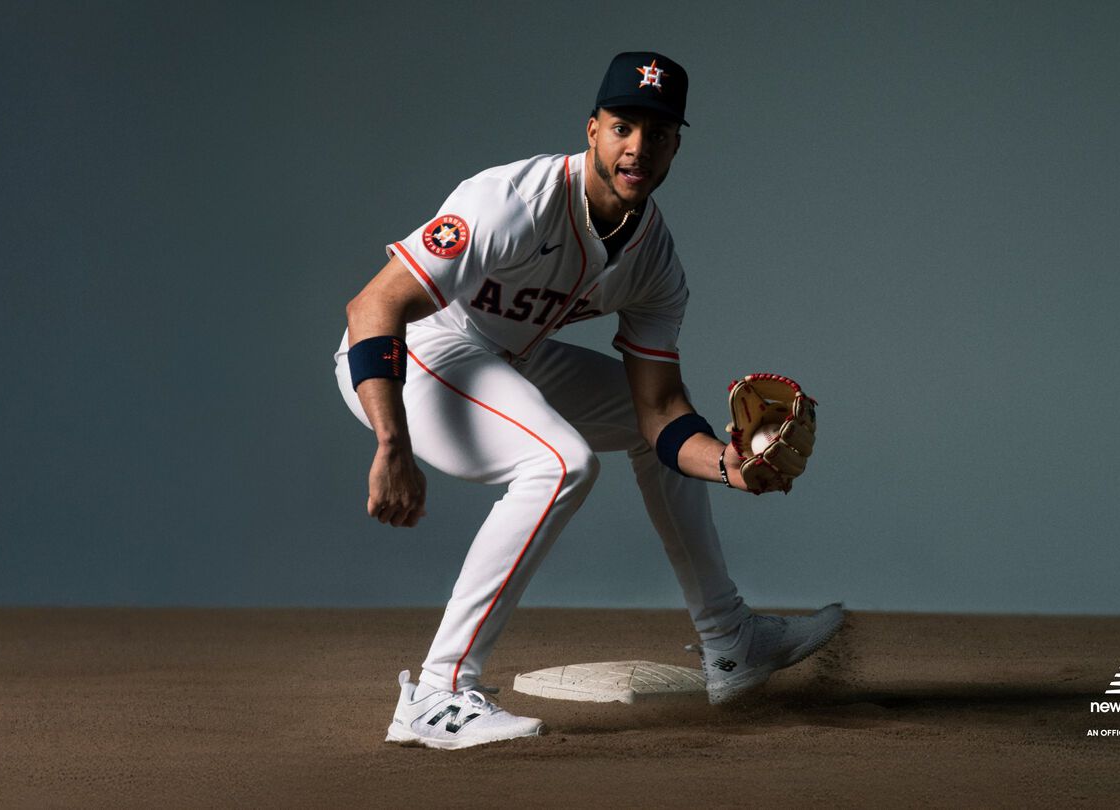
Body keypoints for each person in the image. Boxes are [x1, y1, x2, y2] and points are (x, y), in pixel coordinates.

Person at [335, 51, 842, 750]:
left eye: (657, 133)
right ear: (593, 128)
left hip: (509, 358)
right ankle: (439, 692)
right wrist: (391, 442)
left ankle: (731, 639)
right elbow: (374, 304)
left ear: (675, 146)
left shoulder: (654, 260)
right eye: (623, 127)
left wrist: (730, 466)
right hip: (418, 350)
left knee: (637, 433)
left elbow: (658, 412)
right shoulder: (511, 201)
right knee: (559, 462)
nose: (638, 146)